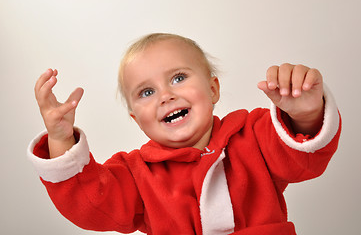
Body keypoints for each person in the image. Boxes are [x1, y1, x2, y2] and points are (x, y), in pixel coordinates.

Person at [27, 33, 341, 235]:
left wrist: (304, 112)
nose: (165, 96)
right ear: (137, 120)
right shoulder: (136, 173)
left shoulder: (255, 134)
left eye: (178, 78)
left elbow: (302, 156)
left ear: (213, 88)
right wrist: (60, 138)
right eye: (147, 91)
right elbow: (91, 204)